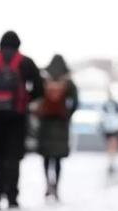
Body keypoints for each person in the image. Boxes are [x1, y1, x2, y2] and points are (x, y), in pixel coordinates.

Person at [0, 31, 43, 210]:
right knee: (14, 155)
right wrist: (26, 98)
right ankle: (12, 195)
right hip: (17, 116)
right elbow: (40, 88)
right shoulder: (26, 62)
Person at [37, 54, 79, 201]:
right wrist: (67, 114)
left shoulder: (43, 80)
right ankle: (57, 186)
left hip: (46, 123)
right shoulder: (68, 82)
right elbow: (76, 102)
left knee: (46, 157)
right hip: (61, 124)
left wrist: (39, 114)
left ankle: (47, 184)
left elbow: (36, 98)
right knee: (58, 159)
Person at [100, 89, 118, 174]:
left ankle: (112, 161)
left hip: (115, 127)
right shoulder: (105, 105)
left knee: (113, 145)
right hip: (109, 128)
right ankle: (111, 161)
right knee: (111, 145)